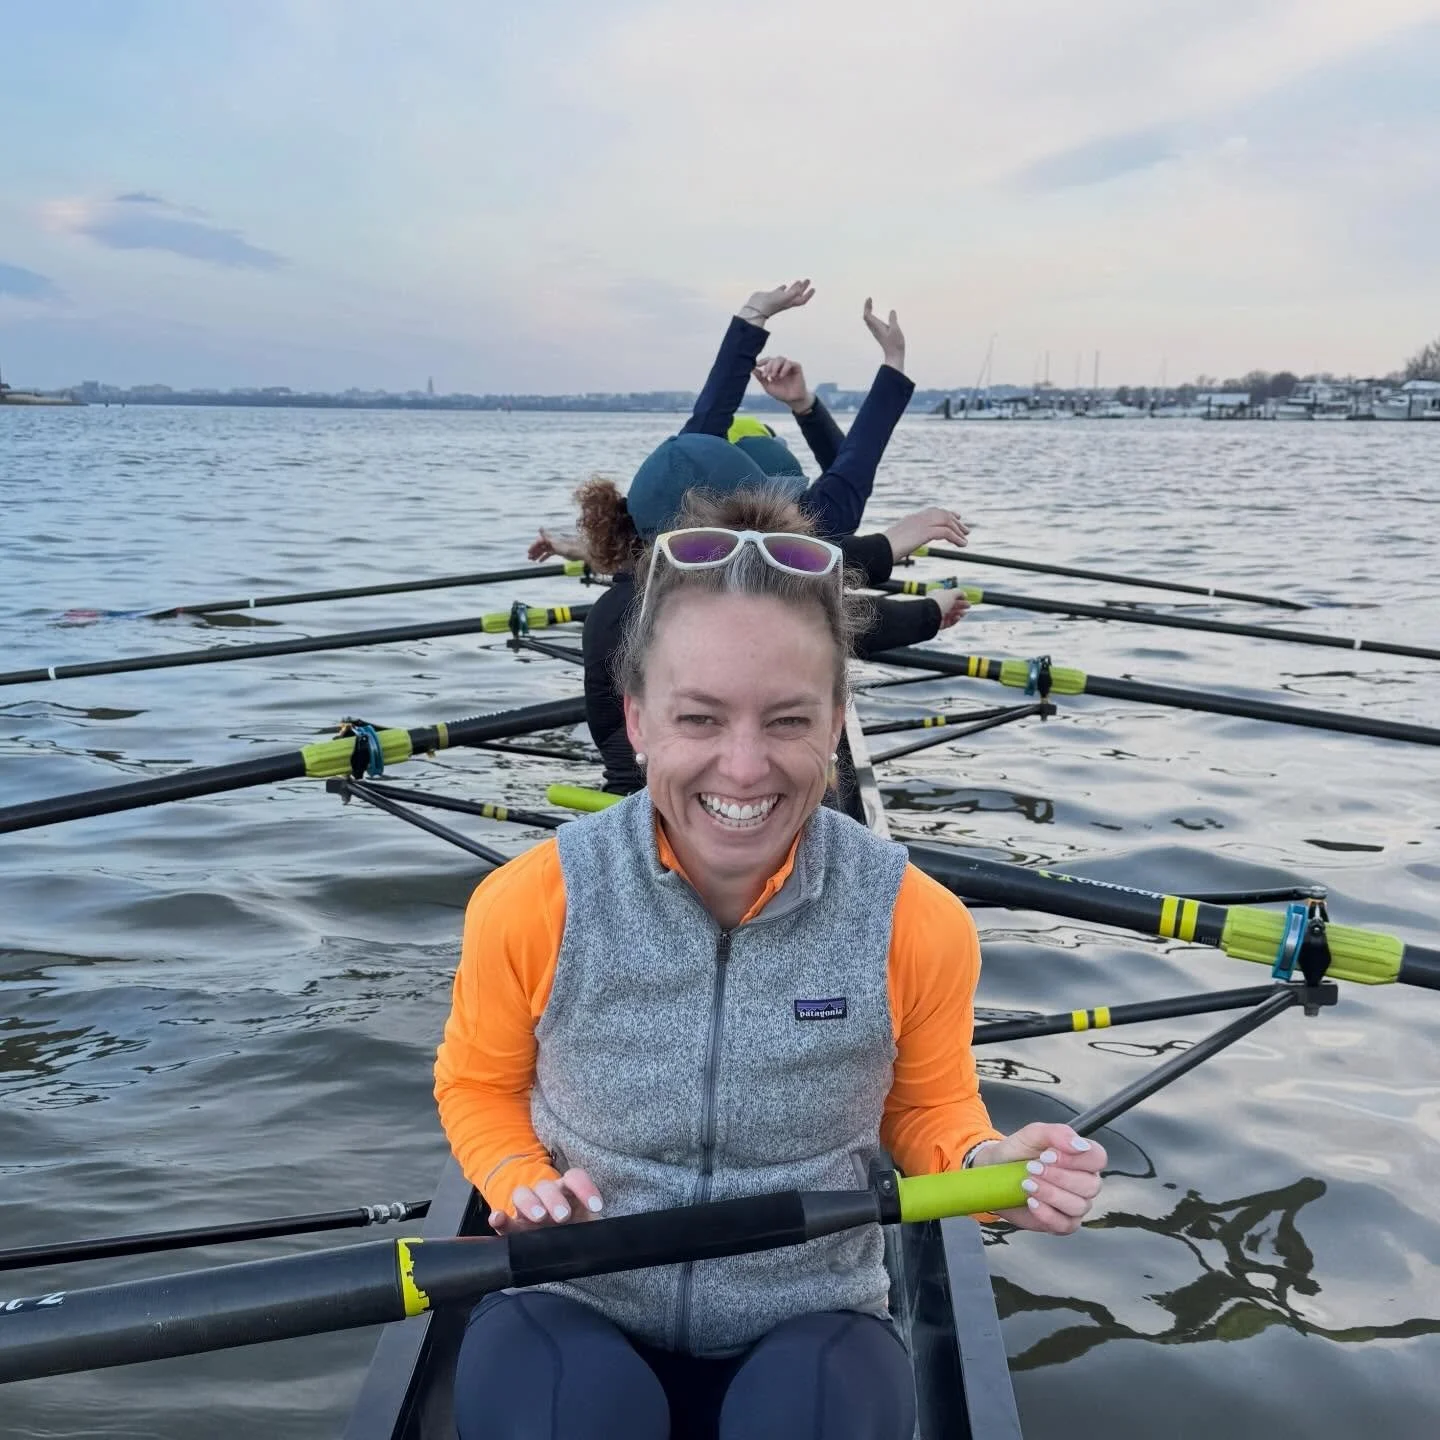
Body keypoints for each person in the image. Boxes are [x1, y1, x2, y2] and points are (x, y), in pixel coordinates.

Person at [435, 488, 1106, 1440]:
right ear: (637, 722)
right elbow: (475, 1087)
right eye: (700, 719)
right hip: (575, 1299)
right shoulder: (533, 902)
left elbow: (924, 1111)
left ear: (836, 721)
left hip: (809, 1317)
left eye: (787, 721)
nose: (743, 769)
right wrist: (516, 1180)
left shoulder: (915, 920)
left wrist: (994, 1164)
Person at [572, 287, 970, 791]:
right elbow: (860, 605)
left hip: (628, 803)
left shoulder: (626, 590)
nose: (776, 522)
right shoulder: (734, 598)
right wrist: (917, 589)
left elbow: (697, 441)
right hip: (703, 805)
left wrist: (751, 321)